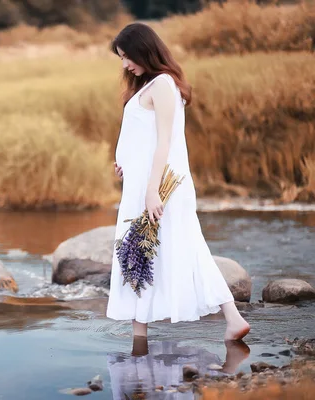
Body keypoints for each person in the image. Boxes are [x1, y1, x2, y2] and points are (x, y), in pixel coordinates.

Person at [106, 22, 250, 341]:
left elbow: (164, 142)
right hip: (143, 183)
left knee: (153, 249)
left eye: (128, 56)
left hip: (159, 186)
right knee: (148, 250)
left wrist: (152, 189)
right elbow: (143, 138)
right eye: (121, 58)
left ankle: (141, 334)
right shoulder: (147, 85)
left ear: (145, 50)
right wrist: (127, 164)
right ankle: (229, 319)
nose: (125, 64)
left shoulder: (162, 84)